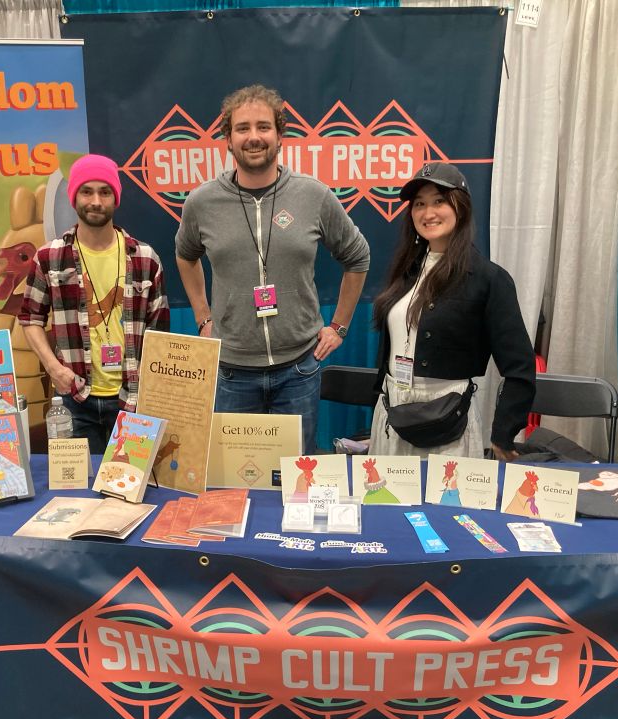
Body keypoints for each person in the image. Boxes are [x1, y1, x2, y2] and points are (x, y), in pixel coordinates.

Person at [175, 84, 370, 453]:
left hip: (298, 370)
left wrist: (339, 326)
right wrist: (203, 316)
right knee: (237, 479)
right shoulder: (202, 202)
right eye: (242, 128)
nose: (253, 137)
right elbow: (185, 255)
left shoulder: (313, 195)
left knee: (297, 478)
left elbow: (358, 257)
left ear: (280, 135)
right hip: (232, 372)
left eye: (263, 127)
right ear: (228, 139)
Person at [369, 162, 534, 460]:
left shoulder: (489, 279)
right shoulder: (406, 272)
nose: (428, 212)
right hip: (392, 416)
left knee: (446, 507)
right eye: (419, 204)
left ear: (461, 206)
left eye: (439, 201)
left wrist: (504, 433)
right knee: (387, 504)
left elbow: (520, 368)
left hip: (447, 423)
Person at [19, 153, 170, 453]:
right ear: (74, 197)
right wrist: (53, 368)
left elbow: (159, 334)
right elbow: (30, 318)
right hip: (74, 401)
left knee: (131, 492)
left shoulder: (145, 258)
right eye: (87, 191)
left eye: (105, 192)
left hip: (133, 402)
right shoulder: (49, 258)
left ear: (116, 198)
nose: (96, 201)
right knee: (77, 496)